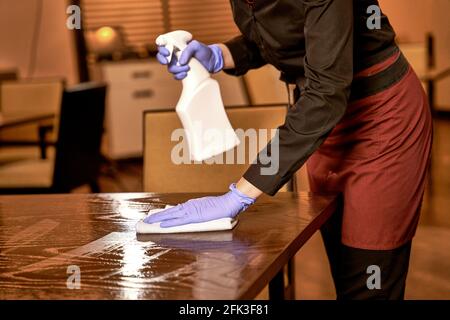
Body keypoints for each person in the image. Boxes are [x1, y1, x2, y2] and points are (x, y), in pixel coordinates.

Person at [146, 0, 432, 300]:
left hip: (380, 121)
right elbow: (284, 35)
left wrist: (238, 195)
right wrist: (219, 55)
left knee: (370, 280)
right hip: (320, 127)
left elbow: (326, 93)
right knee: (347, 267)